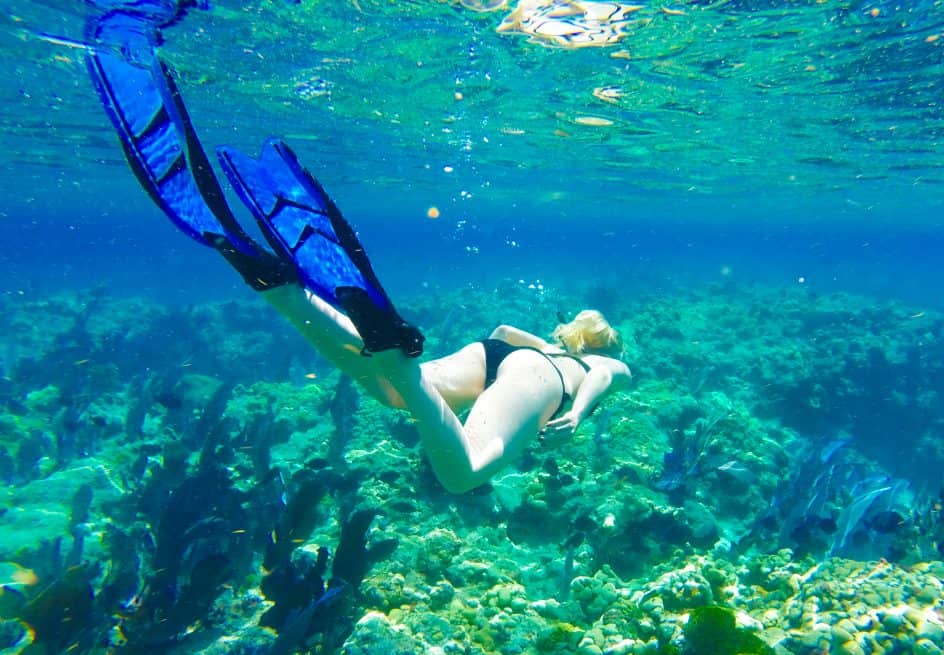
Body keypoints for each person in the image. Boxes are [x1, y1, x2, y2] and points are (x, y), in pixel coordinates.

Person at [85, 25, 631, 493]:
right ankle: (393, 349)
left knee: (391, 389)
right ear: (604, 346)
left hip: (497, 359)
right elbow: (606, 377)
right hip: (539, 381)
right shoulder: (596, 363)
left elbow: (505, 330)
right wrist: (578, 411)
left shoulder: (547, 342)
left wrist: (520, 362)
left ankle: (279, 287)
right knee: (462, 474)